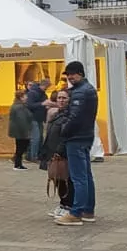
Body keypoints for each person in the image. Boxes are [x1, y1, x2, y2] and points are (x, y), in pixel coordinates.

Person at [54, 62, 98, 226]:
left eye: (72, 74)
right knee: (86, 175)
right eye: (68, 75)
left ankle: (76, 213)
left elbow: (75, 117)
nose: (70, 77)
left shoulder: (81, 92)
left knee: (78, 176)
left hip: (76, 138)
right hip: (85, 136)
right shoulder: (87, 89)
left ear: (80, 73)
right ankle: (88, 210)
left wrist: (64, 131)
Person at [41, 89, 74, 220]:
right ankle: (62, 204)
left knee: (65, 180)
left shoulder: (68, 115)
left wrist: (59, 151)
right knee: (56, 179)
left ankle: (68, 206)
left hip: (61, 153)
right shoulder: (56, 114)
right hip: (52, 152)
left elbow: (65, 136)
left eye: (64, 98)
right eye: (59, 98)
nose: (61, 100)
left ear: (69, 100)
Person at [8, 91, 34, 170]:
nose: (27, 97)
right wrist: (26, 132)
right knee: (21, 147)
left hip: (18, 131)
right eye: (25, 96)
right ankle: (17, 164)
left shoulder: (18, 105)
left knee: (20, 147)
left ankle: (18, 164)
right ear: (21, 97)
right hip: (21, 131)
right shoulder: (20, 107)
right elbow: (21, 120)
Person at [24, 79, 49, 163]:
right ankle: (33, 156)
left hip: (39, 119)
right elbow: (29, 105)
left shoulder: (43, 94)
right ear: (43, 85)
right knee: (36, 138)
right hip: (32, 118)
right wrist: (42, 104)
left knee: (40, 138)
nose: (47, 89)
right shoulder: (32, 93)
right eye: (46, 87)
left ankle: (36, 155)